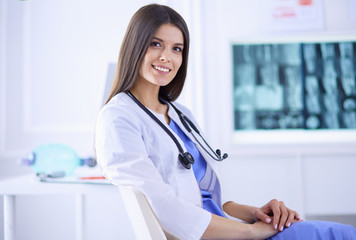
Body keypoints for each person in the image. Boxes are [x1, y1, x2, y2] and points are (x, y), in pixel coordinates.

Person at [95, 3, 356, 240]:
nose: (167, 57)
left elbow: (205, 200)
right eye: (155, 44)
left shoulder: (180, 113)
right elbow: (165, 209)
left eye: (177, 49)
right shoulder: (119, 118)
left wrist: (256, 214)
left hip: (228, 228)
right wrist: (252, 232)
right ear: (135, 45)